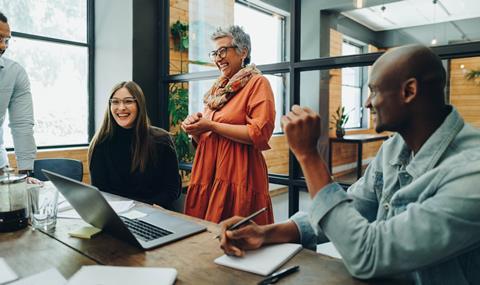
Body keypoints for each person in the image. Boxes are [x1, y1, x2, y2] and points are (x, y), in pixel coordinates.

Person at [219, 45, 480, 284]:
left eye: (374, 91)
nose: (367, 102)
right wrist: (266, 233)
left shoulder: (472, 174)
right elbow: (352, 207)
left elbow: (370, 254)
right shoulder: (394, 148)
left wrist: (309, 156)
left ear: (409, 91)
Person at [182, 25, 275, 225]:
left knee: (238, 238)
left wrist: (212, 125)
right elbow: (206, 138)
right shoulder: (217, 90)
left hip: (239, 175)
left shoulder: (258, 83)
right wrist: (196, 129)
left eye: (223, 50)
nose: (218, 58)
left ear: (244, 52)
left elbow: (259, 133)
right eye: (214, 53)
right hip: (208, 172)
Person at [88, 81, 180, 209]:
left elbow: (172, 190)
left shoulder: (162, 140)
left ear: (139, 104)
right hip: (117, 215)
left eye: (128, 101)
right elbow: (101, 191)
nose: (121, 108)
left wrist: (148, 207)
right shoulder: (101, 142)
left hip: (154, 213)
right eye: (115, 102)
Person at [0, 11, 36, 177]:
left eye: (6, 40)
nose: (3, 46)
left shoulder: (14, 73)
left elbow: (22, 124)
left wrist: (26, 172)